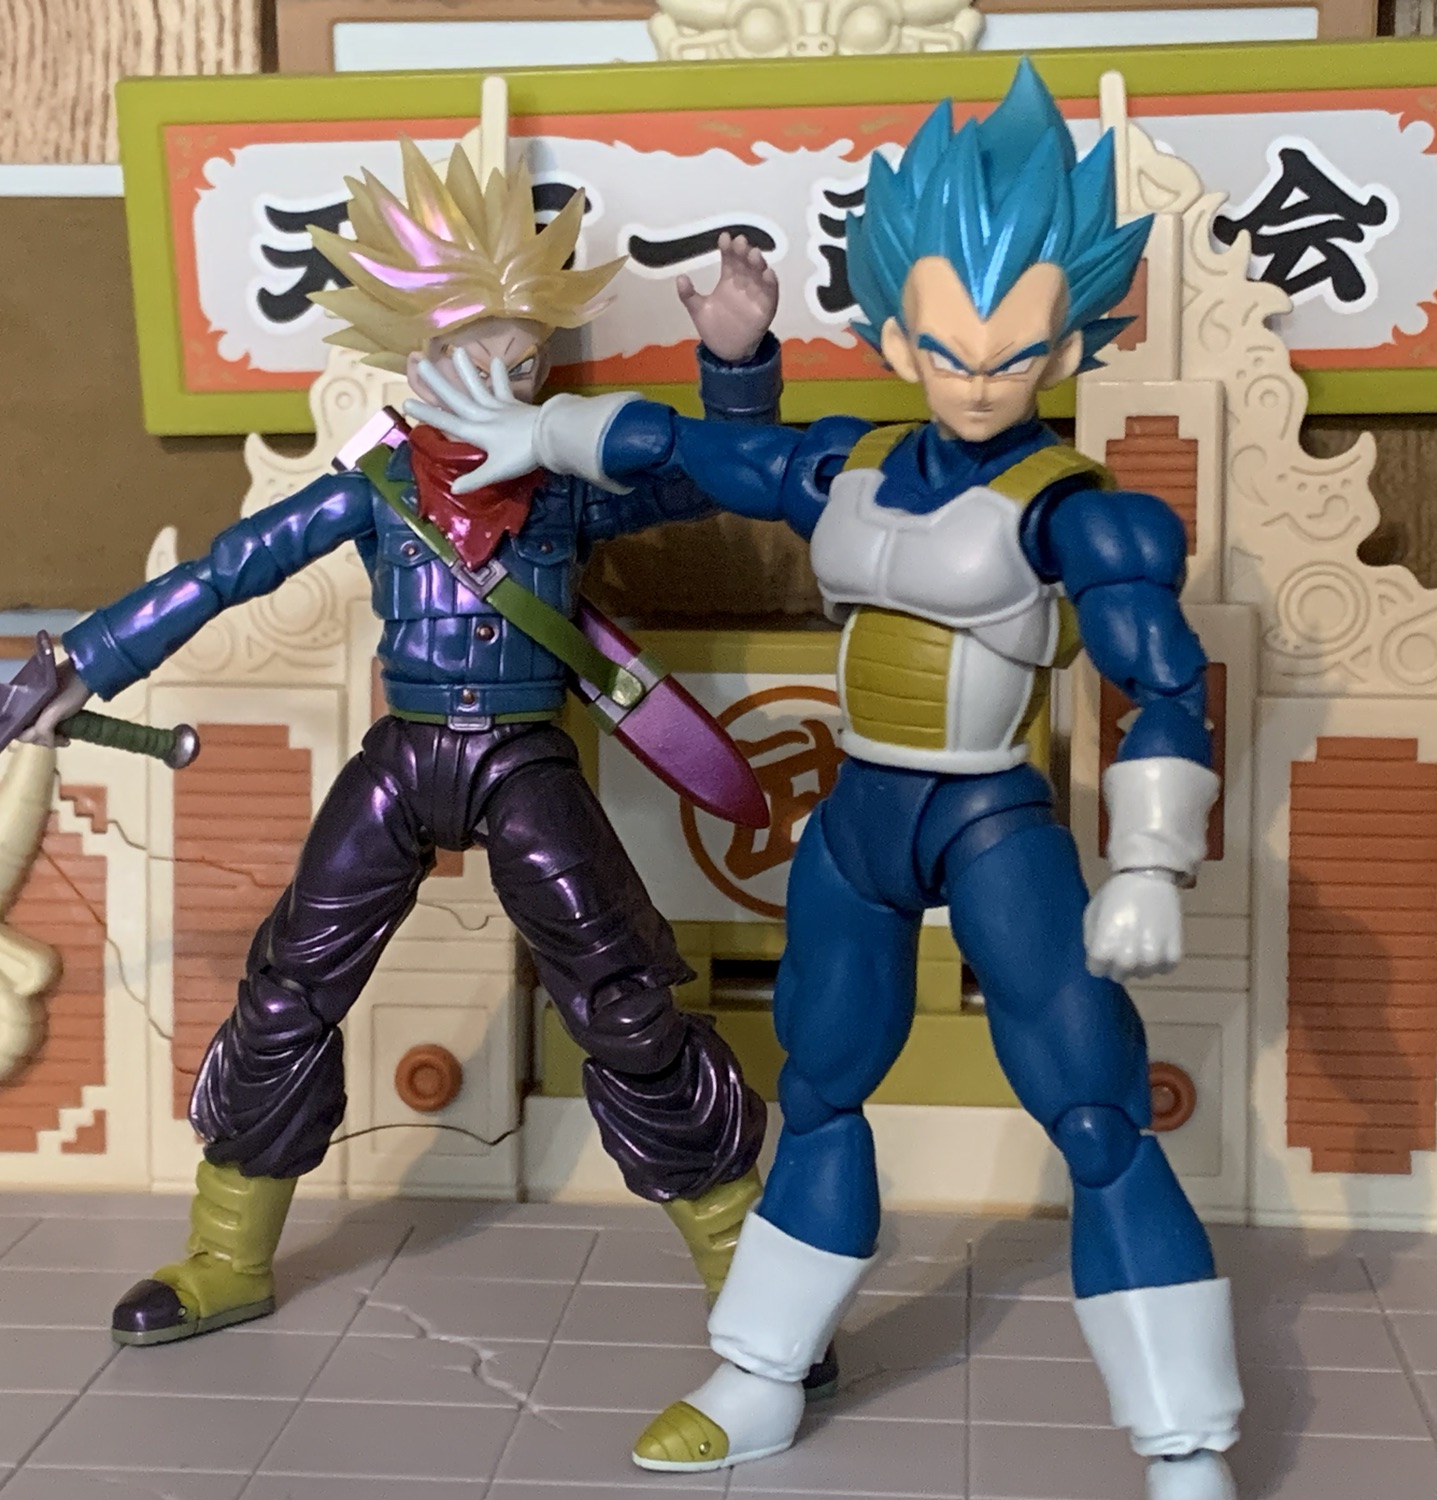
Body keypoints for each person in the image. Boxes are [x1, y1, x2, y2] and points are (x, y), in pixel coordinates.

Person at [404, 60, 1241, 1500]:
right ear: (897, 330)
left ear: (1069, 344)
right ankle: (759, 1371)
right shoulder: (851, 463)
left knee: (1093, 1108)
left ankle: (1183, 1439)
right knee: (823, 1088)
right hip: (861, 820)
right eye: (948, 348)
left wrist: (1154, 860)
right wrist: (537, 435)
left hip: (988, 816)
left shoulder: (1080, 513)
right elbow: (691, 448)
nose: (977, 381)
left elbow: (1162, 682)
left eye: (1013, 356)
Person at [26, 138, 791, 1357]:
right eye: (472, 358)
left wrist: (736, 366)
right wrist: (79, 662)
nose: (501, 384)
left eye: (523, 363)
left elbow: (718, 478)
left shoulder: (563, 481)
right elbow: (226, 572)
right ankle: (226, 1252)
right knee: (287, 990)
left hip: (523, 760)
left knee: (626, 1005)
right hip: (405, 756)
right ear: (414, 357)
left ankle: (747, 1275)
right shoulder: (375, 486)